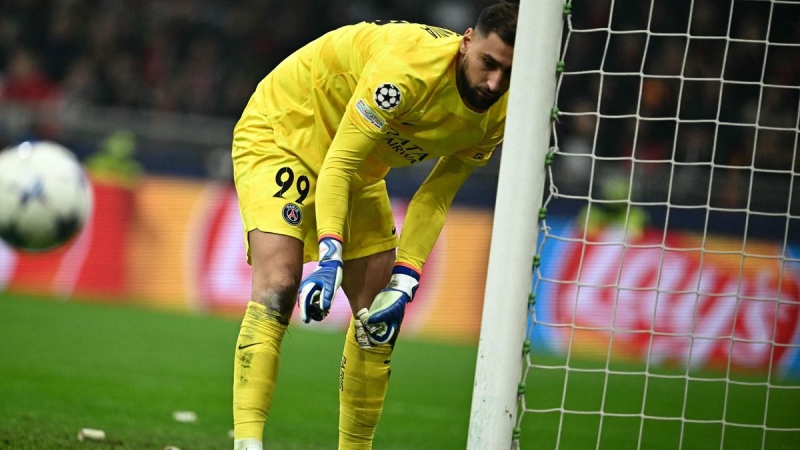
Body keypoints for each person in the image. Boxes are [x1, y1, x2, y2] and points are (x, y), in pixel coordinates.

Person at [230, 2, 517, 449]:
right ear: (466, 43)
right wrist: (329, 257)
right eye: (488, 64)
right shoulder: (408, 69)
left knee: (376, 317)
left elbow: (435, 195)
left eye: (508, 73)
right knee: (280, 285)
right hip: (287, 128)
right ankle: (247, 444)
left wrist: (406, 280)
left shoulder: (498, 114)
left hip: (357, 165)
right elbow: (337, 164)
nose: (494, 83)